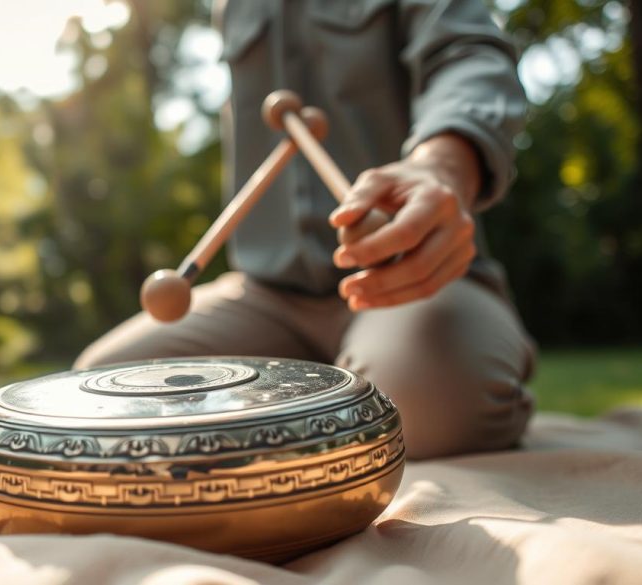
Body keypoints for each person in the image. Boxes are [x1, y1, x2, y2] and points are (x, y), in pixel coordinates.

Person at [75, 0, 536, 460]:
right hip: (266, 295)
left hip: (412, 278)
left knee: (409, 410)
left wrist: (441, 165)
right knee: (100, 393)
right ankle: (330, 395)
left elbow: (471, 54)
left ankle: (441, 367)